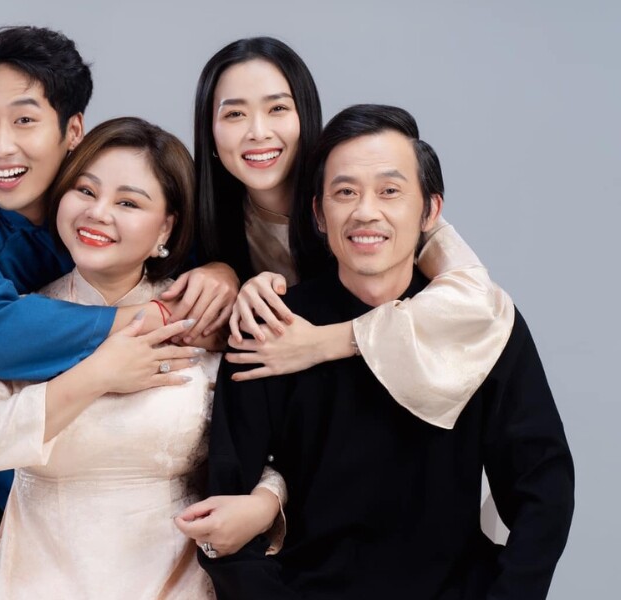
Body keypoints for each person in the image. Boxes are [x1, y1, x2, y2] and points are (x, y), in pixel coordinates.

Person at [0, 26, 238, 600]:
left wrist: (224, 271)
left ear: (72, 130)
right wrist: (143, 326)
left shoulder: (107, 199)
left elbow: (198, 289)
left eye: (25, 119)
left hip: (129, 462)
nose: (1, 146)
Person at [201, 104, 575, 599]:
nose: (365, 211)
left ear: (430, 212)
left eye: (390, 191)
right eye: (345, 192)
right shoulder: (269, 326)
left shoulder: (479, 324)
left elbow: (542, 486)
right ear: (318, 213)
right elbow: (226, 511)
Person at [176, 36, 515, 556]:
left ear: (305, 115)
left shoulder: (365, 200)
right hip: (305, 491)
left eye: (277, 108)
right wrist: (226, 275)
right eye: (235, 114)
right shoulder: (202, 226)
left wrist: (327, 342)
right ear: (210, 130)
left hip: (412, 464)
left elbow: (476, 301)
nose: (258, 131)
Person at [0, 116, 286, 599]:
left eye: (128, 202)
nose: (98, 212)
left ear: (166, 226)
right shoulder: (21, 320)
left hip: (177, 581)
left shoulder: (202, 318)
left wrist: (267, 504)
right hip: (38, 578)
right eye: (85, 190)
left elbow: (265, 449)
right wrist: (98, 374)